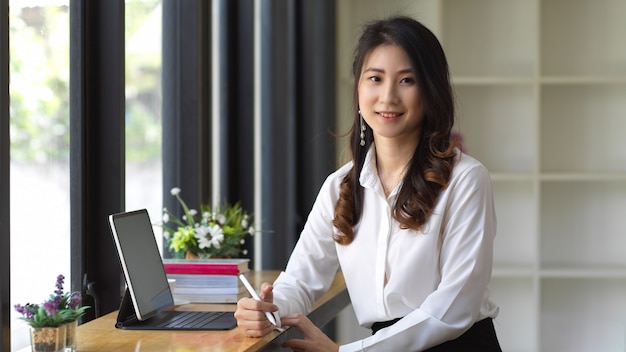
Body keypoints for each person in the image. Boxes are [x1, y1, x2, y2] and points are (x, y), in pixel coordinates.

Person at [235, 15, 502, 351]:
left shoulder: (465, 180)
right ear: (359, 88)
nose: (388, 96)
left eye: (407, 80)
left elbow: (454, 307)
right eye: (375, 78)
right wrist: (267, 310)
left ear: (430, 91)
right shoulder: (339, 186)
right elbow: (301, 279)